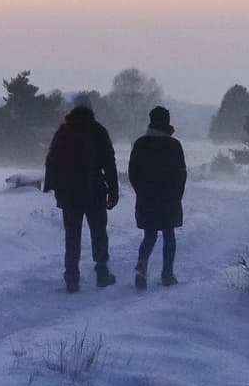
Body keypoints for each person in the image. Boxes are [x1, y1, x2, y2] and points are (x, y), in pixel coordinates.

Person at [43, 97, 119, 289]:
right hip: (95, 192)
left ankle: (71, 278)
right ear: (91, 109)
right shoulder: (99, 132)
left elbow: (51, 162)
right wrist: (113, 190)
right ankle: (102, 273)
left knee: (72, 236)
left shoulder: (63, 132)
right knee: (99, 233)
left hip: (69, 194)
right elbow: (109, 163)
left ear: (74, 109)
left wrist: (55, 191)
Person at [127, 103, 188, 285]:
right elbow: (181, 173)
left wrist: (141, 191)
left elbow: (133, 172)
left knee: (149, 236)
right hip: (169, 199)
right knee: (169, 236)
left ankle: (141, 270)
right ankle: (167, 275)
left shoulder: (140, 144)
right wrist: (177, 195)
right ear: (167, 122)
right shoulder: (174, 145)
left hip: (147, 198)